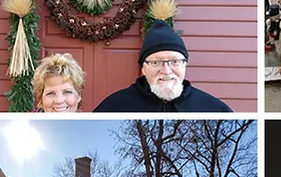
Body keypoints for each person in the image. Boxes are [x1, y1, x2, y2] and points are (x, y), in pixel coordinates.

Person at [92, 18, 231, 112]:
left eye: (175, 62)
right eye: (156, 62)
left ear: (185, 65)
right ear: (143, 69)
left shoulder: (214, 110)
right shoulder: (114, 107)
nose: (166, 71)